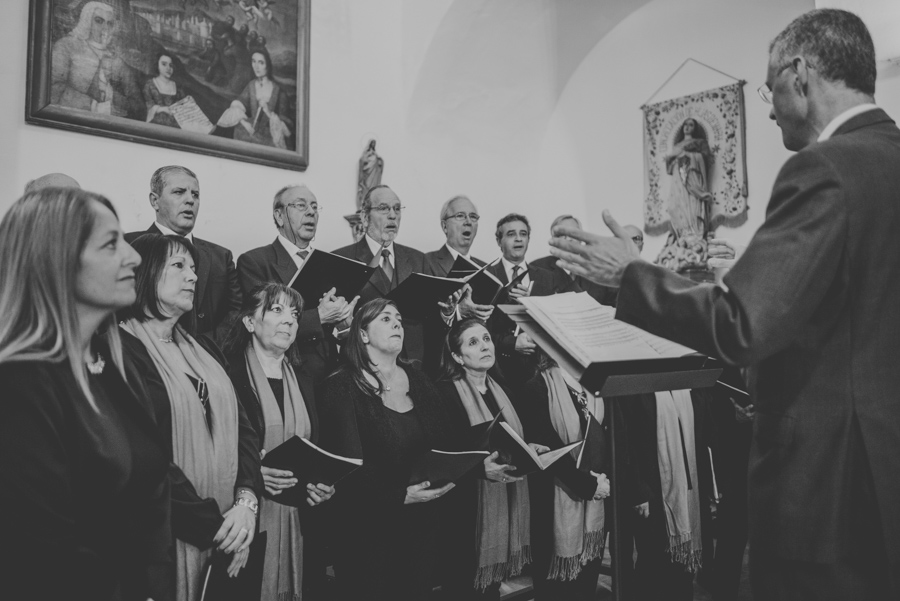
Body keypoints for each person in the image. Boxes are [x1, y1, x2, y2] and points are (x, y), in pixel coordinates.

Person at [549, 9, 898, 598]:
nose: (767, 106)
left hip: (825, 476)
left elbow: (744, 321)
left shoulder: (825, 169)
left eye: (769, 87)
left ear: (800, 72)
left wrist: (632, 274)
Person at [0, 188, 170, 600]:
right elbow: (41, 551)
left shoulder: (112, 365)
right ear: (54, 259)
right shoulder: (20, 382)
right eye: (111, 245)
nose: (132, 256)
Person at [119, 234, 261, 601]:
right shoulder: (121, 351)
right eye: (179, 266)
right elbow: (144, 457)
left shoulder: (206, 348)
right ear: (146, 274)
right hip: (165, 536)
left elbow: (245, 430)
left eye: (195, 269)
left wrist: (246, 503)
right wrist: (220, 529)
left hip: (232, 522)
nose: (193, 277)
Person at [316, 298, 459, 600]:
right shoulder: (340, 385)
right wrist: (399, 495)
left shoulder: (419, 379)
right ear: (363, 334)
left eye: (398, 318)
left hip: (422, 524)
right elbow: (344, 468)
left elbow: (446, 444)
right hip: (367, 530)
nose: (396, 323)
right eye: (384, 318)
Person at [223, 282, 335, 601]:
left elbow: (315, 447)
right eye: (276, 310)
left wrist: (322, 483)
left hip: (301, 519)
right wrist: (252, 475)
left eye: (295, 313)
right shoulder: (226, 374)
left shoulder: (305, 377)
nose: (289, 319)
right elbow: (215, 449)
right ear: (249, 322)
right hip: (245, 516)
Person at [433, 318, 543, 600]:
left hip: (503, 498)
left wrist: (529, 449)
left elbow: (510, 441)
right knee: (464, 588)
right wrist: (479, 469)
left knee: (490, 591)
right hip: (464, 509)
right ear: (457, 356)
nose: (484, 346)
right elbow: (443, 453)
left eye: (486, 339)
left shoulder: (504, 389)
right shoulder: (443, 392)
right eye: (473, 342)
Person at [237, 185, 355, 384]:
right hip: (287, 374)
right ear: (279, 216)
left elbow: (335, 331)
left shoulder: (329, 263)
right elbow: (260, 327)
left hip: (333, 374)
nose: (311, 212)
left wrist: (344, 325)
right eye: (301, 205)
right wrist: (320, 316)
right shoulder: (255, 262)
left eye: (315, 207)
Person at [521, 353, 611, 600]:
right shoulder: (536, 387)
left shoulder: (595, 386)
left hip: (596, 494)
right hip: (554, 496)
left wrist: (602, 481)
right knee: (558, 587)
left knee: (586, 581)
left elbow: (608, 437)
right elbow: (548, 450)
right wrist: (587, 485)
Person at [126, 165, 242, 341]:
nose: (190, 200)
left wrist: (205, 348)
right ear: (154, 201)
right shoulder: (129, 246)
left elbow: (236, 311)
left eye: (195, 194)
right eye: (179, 192)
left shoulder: (221, 256)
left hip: (210, 357)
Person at [332, 185, 428, 363]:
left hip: (415, 364)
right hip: (363, 365)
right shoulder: (341, 259)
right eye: (384, 208)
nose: (393, 215)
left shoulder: (418, 259)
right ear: (364, 217)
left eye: (397, 209)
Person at [486, 213, 562, 388]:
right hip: (499, 370)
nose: (519, 239)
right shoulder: (488, 276)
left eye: (523, 234)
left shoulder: (546, 277)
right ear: (499, 241)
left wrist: (532, 304)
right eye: (511, 234)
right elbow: (482, 326)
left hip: (539, 371)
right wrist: (511, 343)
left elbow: (553, 324)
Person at [422, 194, 493, 375]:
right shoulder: (426, 262)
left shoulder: (486, 269)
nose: (468, 222)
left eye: (473, 217)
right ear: (444, 226)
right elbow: (421, 320)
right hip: (442, 363)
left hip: (480, 368)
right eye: (460, 216)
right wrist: (458, 312)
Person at [50, 1, 143, 118]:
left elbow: (138, 105)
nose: (105, 28)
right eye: (99, 21)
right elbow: (53, 90)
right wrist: (93, 106)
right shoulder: (66, 46)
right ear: (87, 20)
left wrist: (113, 96)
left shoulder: (116, 59)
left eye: (109, 23)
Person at [656, 118, 714, 272]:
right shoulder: (677, 146)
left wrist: (688, 156)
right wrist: (674, 158)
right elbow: (669, 167)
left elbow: (706, 159)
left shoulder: (699, 142)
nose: (687, 127)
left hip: (692, 179)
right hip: (678, 181)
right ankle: (681, 237)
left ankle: (694, 237)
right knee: (675, 206)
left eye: (691, 125)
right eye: (685, 125)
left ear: (694, 128)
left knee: (692, 206)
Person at [532, 214, 619, 306]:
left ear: (581, 238)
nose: (569, 238)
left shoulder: (599, 267)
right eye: (562, 234)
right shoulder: (538, 268)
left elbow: (613, 307)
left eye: (573, 233)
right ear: (554, 240)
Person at [221, 49, 293, 149]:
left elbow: (287, 129)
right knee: (237, 131)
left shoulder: (279, 92)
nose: (256, 66)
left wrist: (268, 111)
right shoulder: (251, 85)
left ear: (268, 65)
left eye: (261, 63)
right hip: (251, 129)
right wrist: (245, 123)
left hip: (270, 135)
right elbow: (238, 104)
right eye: (253, 61)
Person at [144, 51, 187, 128]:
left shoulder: (178, 87)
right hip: (156, 124)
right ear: (157, 65)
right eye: (164, 64)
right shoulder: (150, 84)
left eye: (171, 66)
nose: (168, 68)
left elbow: (183, 107)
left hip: (175, 126)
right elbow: (148, 106)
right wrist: (162, 109)